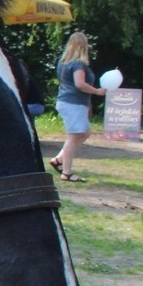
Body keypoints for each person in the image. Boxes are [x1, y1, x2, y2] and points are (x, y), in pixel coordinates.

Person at [49, 31, 105, 183]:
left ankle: (58, 159)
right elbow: (80, 84)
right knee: (73, 137)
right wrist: (97, 91)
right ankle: (66, 173)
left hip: (66, 101)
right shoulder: (78, 64)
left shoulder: (63, 63)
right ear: (83, 46)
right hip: (73, 102)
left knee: (85, 132)